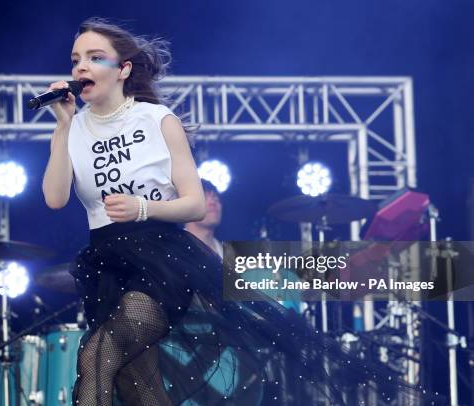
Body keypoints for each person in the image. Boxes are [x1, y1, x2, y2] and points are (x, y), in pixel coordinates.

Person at [42, 17, 436, 406]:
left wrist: (143, 207)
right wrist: (61, 128)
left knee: (97, 354)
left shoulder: (156, 120)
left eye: (94, 57)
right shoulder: (74, 128)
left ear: (123, 69)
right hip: (106, 265)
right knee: (139, 385)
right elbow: (55, 198)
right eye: (76, 59)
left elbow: (194, 204)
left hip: (157, 259)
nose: (80, 67)